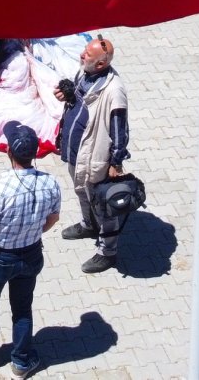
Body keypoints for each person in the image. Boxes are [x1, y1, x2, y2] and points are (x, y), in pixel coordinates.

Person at [0, 122, 60, 379]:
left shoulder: (1, 188)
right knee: (22, 308)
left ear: (9, 152)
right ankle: (20, 362)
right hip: (30, 255)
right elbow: (53, 218)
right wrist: (33, 232)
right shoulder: (50, 183)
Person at [54, 36, 129, 274]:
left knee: (103, 204)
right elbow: (80, 102)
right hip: (76, 152)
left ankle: (107, 252)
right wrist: (68, 94)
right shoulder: (85, 73)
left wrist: (116, 162)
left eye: (87, 54)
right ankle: (88, 225)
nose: (81, 55)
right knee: (81, 191)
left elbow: (120, 129)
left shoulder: (114, 91)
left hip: (96, 156)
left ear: (100, 64)